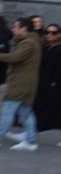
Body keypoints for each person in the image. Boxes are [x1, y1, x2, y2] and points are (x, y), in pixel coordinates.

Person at [0, 17, 43, 149]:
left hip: (20, 84)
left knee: (7, 112)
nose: (13, 29)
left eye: (15, 27)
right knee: (26, 113)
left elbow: (15, 57)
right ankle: (30, 141)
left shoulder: (28, 43)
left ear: (24, 29)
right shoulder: (30, 42)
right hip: (26, 84)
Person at [34, 23, 61, 134]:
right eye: (47, 32)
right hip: (43, 88)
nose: (49, 35)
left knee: (51, 117)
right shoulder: (45, 48)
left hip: (55, 90)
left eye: (53, 33)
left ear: (59, 34)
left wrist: (54, 83)